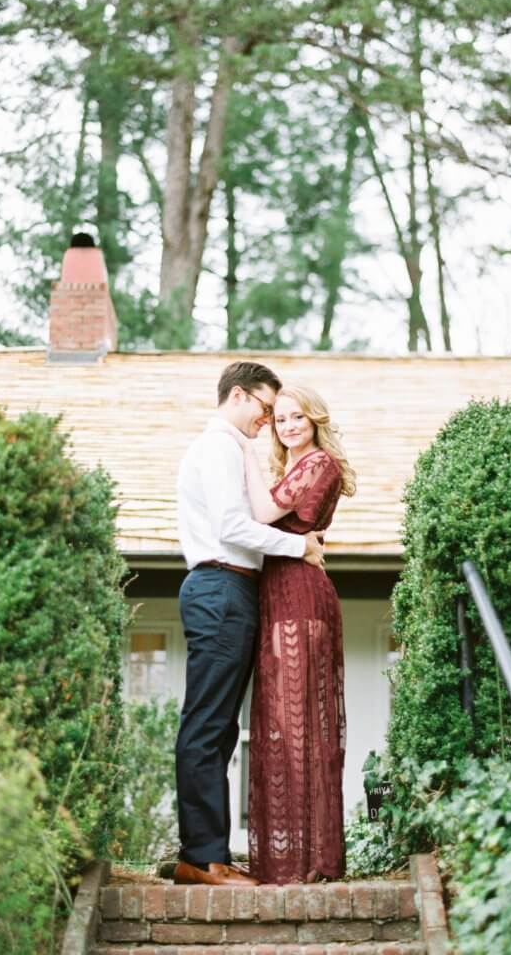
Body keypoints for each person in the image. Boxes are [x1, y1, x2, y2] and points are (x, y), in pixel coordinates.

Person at [174, 361, 325, 887]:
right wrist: (298, 546)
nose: (268, 420)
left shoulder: (234, 449)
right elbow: (232, 526)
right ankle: (199, 857)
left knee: (217, 730)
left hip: (233, 589)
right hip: (219, 588)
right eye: (264, 408)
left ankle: (209, 852)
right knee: (208, 724)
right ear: (237, 396)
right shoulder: (218, 447)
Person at [241, 385, 356, 884]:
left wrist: (243, 449)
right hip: (278, 594)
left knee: (303, 726)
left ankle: (312, 860)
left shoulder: (318, 464)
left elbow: (264, 514)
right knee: (283, 727)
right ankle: (290, 859)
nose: (287, 426)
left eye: (296, 419)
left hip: (301, 597)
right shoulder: (290, 468)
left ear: (314, 422)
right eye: (280, 419)